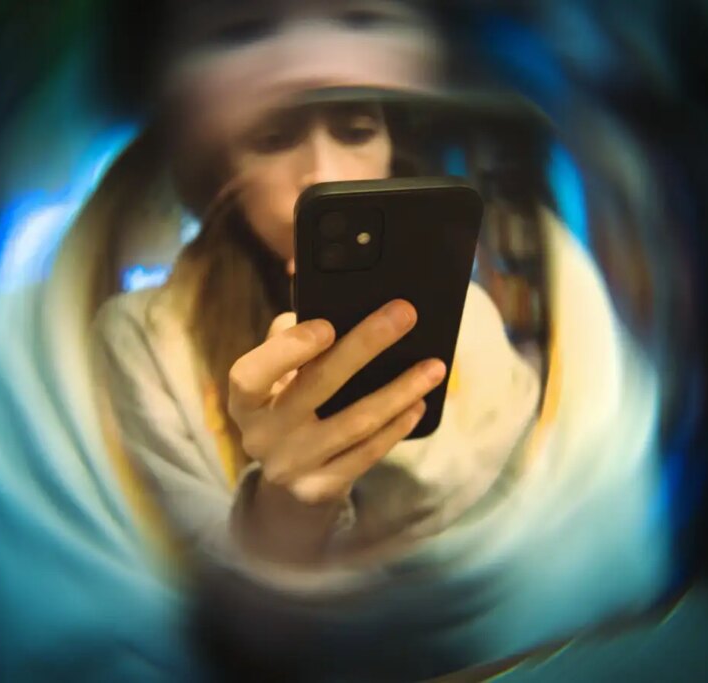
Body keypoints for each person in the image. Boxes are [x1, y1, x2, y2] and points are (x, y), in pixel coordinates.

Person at [88, 0, 541, 585]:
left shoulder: (466, 312)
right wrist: (285, 512)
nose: (323, 174)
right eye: (272, 137)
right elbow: (192, 584)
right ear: (226, 174)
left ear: (391, 149)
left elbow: (516, 522)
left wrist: (382, 435)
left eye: (356, 131)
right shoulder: (143, 338)